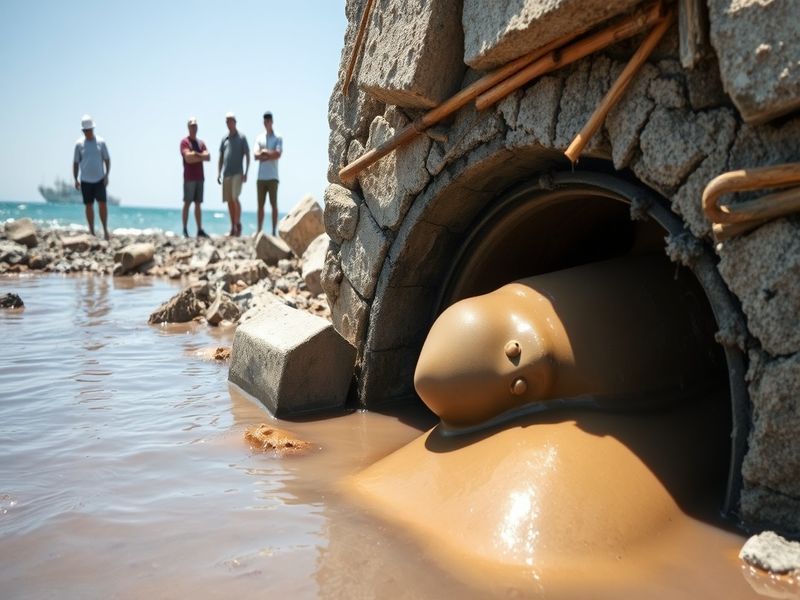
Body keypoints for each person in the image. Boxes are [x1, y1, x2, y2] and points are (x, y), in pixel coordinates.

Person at [73, 115, 111, 240]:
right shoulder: (79, 144)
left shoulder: (101, 142)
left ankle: (105, 230)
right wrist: (75, 179)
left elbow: (107, 159)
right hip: (85, 180)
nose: (87, 132)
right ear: (82, 131)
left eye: (89, 130)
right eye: (85, 130)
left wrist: (106, 175)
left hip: (99, 179)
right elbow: (76, 162)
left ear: (93, 129)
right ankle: (92, 231)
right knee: (88, 205)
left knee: (102, 204)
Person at [217, 112, 249, 236]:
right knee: (229, 200)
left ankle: (238, 224)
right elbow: (221, 157)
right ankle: (233, 227)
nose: (228, 123)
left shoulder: (242, 137)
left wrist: (246, 172)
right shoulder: (224, 139)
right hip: (226, 173)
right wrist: (218, 173)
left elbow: (247, 155)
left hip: (238, 172)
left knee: (235, 197)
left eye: (230, 120)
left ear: (235, 122)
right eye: (227, 121)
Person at [254, 111, 283, 235]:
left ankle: (273, 231)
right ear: (263, 122)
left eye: (268, 121)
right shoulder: (259, 138)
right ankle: (259, 230)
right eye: (265, 122)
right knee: (260, 206)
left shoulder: (278, 137)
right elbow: (255, 155)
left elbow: (278, 154)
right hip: (261, 177)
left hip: (272, 177)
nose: (267, 123)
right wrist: (268, 154)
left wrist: (264, 152)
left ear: (272, 122)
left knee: (273, 205)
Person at [180, 117, 210, 238]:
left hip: (200, 177)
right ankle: (185, 229)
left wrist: (195, 155)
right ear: (188, 127)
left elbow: (208, 156)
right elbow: (188, 158)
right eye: (192, 125)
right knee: (187, 202)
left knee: (198, 203)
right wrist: (200, 155)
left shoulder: (201, 143)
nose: (194, 127)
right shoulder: (184, 142)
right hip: (189, 177)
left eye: (195, 125)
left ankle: (199, 230)